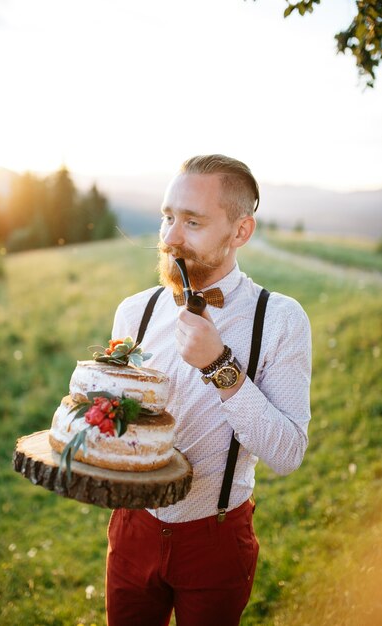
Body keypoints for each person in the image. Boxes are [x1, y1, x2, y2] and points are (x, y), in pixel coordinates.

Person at [105, 154, 312, 626]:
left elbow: (288, 453)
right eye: (168, 217)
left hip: (216, 539)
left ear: (241, 231)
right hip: (131, 526)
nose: (171, 237)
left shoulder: (279, 320)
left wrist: (221, 367)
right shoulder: (132, 312)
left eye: (193, 222)